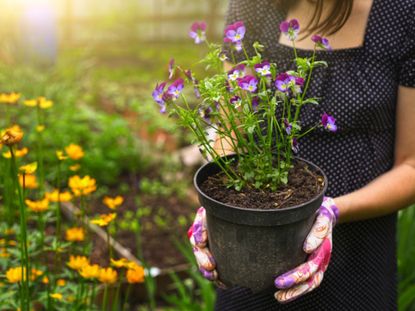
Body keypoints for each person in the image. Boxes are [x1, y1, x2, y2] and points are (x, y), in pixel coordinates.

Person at [188, 0, 415, 309]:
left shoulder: (402, 12)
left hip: (358, 263)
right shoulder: (254, 5)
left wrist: (331, 211)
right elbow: (232, 130)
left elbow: (411, 165)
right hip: (253, 254)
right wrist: (215, 207)